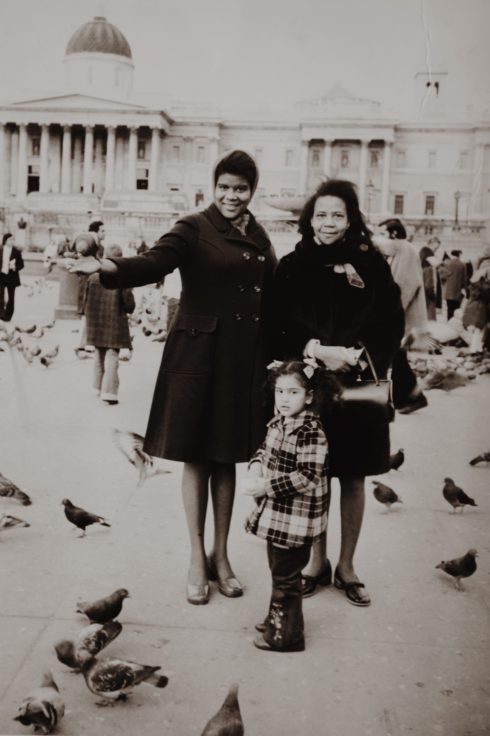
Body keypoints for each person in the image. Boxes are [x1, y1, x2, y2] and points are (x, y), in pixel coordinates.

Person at [65, 150, 276, 605]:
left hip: (242, 359)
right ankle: (197, 557)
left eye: (240, 188)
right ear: (213, 186)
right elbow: (154, 261)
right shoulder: (194, 227)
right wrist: (107, 267)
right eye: (224, 187)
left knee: (227, 458)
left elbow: (274, 297)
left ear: (251, 190)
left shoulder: (260, 237)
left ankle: (222, 556)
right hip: (198, 356)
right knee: (197, 456)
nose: (231, 196)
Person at [271, 179, 404, 606]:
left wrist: (357, 355)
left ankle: (347, 565)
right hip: (311, 385)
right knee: (313, 475)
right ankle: (316, 562)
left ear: (351, 220)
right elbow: (276, 322)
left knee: (353, 475)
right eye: (321, 214)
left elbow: (391, 322)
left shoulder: (372, 265)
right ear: (310, 218)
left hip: (359, 384)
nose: (329, 223)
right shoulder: (292, 265)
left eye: (338, 215)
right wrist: (316, 350)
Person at [243, 359, 340, 652]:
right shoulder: (280, 422)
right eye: (280, 392)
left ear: (309, 396)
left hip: (295, 520)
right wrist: (256, 465)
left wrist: (267, 487)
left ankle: (287, 636)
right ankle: (280, 620)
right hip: (279, 518)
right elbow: (264, 449)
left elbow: (307, 475)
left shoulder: (311, 432)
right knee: (279, 571)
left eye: (293, 392)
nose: (284, 399)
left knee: (286, 577)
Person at [375, 218, 428, 414]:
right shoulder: (402, 250)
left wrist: (391, 310)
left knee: (395, 354)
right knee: (397, 355)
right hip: (399, 314)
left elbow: (406, 284)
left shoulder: (404, 250)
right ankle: (407, 397)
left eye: (382, 233)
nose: (380, 239)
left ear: (394, 234)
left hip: (400, 315)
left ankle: (410, 397)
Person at [84, 244, 135, 405]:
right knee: (112, 356)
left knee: (98, 354)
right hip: (114, 323)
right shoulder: (122, 278)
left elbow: (85, 301)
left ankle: (96, 387)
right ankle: (109, 393)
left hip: (96, 321)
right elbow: (129, 305)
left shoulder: (92, 278)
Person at [0, 233, 24, 322]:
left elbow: (21, 265)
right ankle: (1, 314)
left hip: (11, 277)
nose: (12, 241)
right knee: (0, 296)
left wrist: (15, 267)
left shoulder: (16, 252)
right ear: (5, 240)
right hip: (1, 275)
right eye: (10, 239)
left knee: (11, 297)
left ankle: (8, 316)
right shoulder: (0, 249)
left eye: (13, 239)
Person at [439, 249, 467, 320]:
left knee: (449, 308)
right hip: (458, 291)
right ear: (458, 255)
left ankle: (449, 321)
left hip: (449, 291)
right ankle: (454, 321)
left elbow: (443, 276)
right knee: (456, 308)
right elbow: (465, 279)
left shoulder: (448, 263)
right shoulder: (462, 265)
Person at [419, 244, 442, 320]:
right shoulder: (429, 269)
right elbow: (429, 286)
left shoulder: (420, 268)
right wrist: (434, 297)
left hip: (421, 300)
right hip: (429, 301)